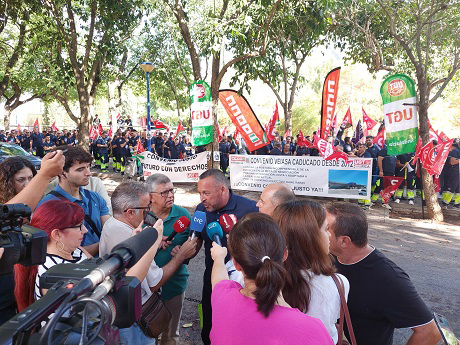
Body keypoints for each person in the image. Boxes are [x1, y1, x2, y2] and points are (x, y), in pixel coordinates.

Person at [325, 202, 441, 345]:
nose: (317, 232)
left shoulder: (389, 278)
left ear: (344, 241)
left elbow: (430, 332)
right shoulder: (328, 255)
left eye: (325, 228)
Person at [209, 213, 334, 345]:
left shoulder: (223, 298)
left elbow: (218, 278)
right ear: (285, 254)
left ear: (236, 264)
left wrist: (219, 257)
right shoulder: (312, 330)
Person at [100, 181, 196, 344]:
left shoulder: (113, 223)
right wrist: (180, 256)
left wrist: (151, 243)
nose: (150, 211)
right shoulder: (125, 232)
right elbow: (154, 282)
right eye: (146, 208)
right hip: (135, 322)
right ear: (130, 212)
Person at [194, 169, 259, 344]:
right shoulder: (201, 210)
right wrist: (181, 253)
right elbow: (195, 242)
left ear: (223, 189)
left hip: (245, 283)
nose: (202, 198)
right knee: (209, 327)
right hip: (212, 281)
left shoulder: (250, 209)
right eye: (200, 193)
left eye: (206, 193)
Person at [272, 200, 349, 344]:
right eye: (326, 229)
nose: (330, 235)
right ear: (310, 239)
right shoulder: (337, 283)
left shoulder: (256, 278)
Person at [146, 174, 197, 345]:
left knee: (170, 336)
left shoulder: (183, 215)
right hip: (145, 289)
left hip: (174, 285)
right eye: (164, 192)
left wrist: (182, 251)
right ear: (150, 196)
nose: (170, 195)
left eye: (171, 190)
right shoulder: (141, 216)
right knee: (145, 335)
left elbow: (193, 246)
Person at [38, 146, 110, 256]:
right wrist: (104, 244)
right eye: (80, 169)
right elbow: (61, 252)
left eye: (88, 167)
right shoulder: (48, 205)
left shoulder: (95, 197)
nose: (88, 173)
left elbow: (109, 230)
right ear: (62, 173)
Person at [441, 140, 460, 209]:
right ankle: (445, 203)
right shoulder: (455, 151)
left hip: (458, 173)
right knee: (450, 188)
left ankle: (457, 204)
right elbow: (452, 162)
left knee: (458, 190)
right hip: (454, 172)